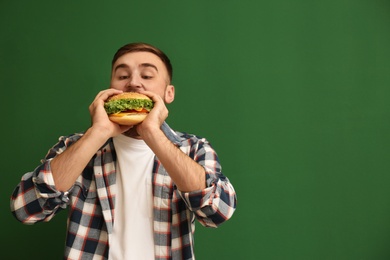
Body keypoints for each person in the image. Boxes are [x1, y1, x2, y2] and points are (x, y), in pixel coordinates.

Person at [10, 42, 237, 260]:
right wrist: (97, 133)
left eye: (147, 76)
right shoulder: (75, 146)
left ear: (169, 94)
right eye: (122, 76)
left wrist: (153, 133)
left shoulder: (194, 148)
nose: (133, 83)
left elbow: (218, 212)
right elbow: (26, 210)